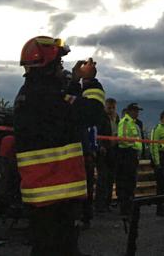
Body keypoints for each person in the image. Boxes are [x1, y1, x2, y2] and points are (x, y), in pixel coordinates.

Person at [14, 36, 106, 255]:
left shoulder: (29, 95)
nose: (61, 69)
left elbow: (65, 113)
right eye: (59, 64)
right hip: (56, 191)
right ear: (48, 66)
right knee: (59, 247)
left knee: (46, 246)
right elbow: (93, 113)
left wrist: (74, 81)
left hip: (41, 191)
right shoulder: (51, 97)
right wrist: (90, 82)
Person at [116, 103, 143, 215]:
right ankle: (125, 208)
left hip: (132, 154)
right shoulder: (125, 122)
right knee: (127, 182)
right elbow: (122, 139)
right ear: (130, 111)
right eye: (135, 111)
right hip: (127, 154)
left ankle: (129, 204)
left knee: (131, 182)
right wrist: (132, 145)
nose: (137, 113)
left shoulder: (133, 123)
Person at [95, 98, 119, 213]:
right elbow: (97, 133)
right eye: (109, 107)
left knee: (110, 178)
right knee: (102, 178)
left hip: (113, 150)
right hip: (103, 150)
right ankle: (99, 205)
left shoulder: (117, 118)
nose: (111, 110)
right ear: (105, 107)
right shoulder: (100, 118)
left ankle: (108, 203)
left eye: (113, 107)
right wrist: (101, 146)